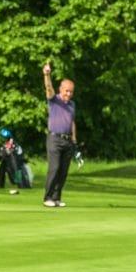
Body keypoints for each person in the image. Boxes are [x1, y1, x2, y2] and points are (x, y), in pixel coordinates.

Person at [42, 61, 77, 207]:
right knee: (54, 168)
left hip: (68, 140)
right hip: (54, 139)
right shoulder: (54, 99)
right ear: (61, 89)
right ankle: (47, 198)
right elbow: (48, 87)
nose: (68, 94)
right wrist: (47, 75)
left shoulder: (72, 104)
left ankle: (56, 198)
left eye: (71, 92)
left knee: (63, 171)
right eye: (66, 91)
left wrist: (74, 140)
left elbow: (72, 121)